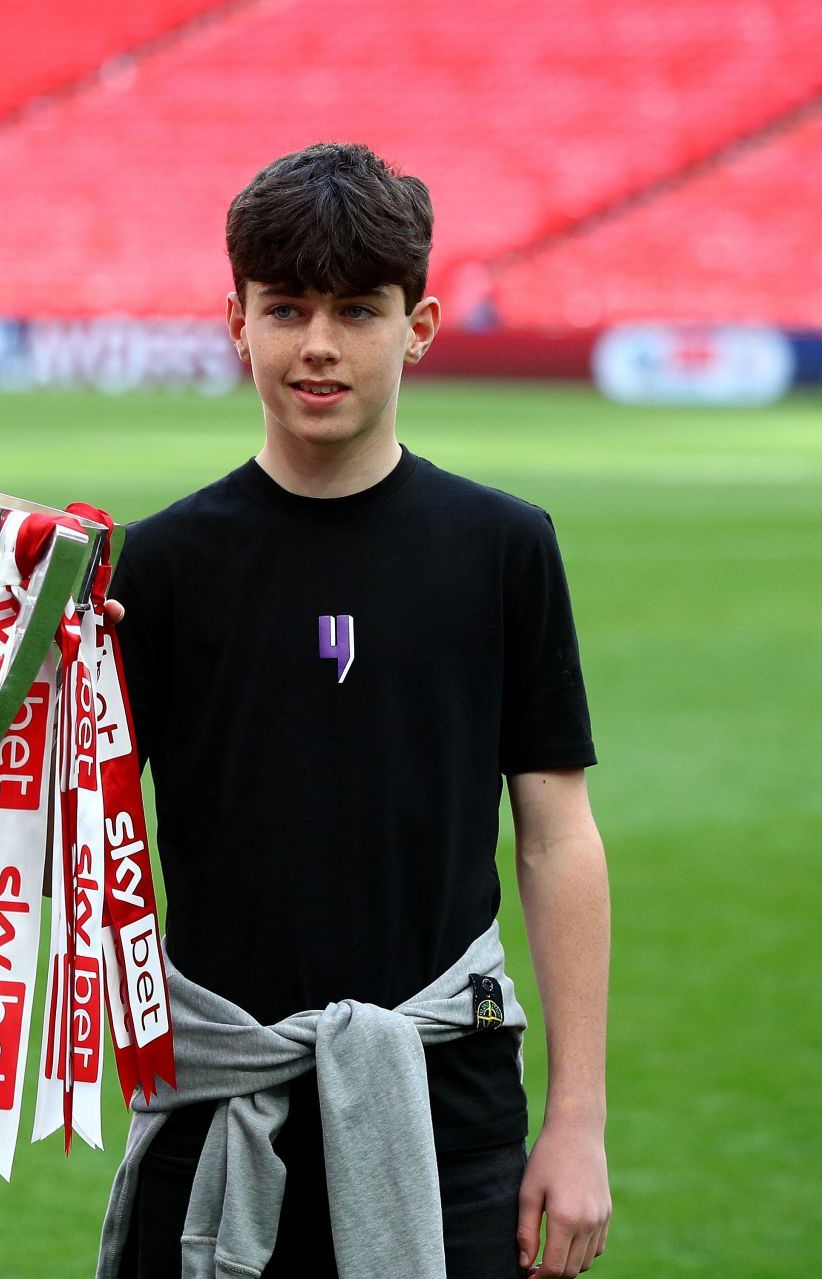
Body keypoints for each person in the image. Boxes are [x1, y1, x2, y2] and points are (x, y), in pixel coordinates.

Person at [97, 143, 611, 1279]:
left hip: (450, 1094)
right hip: (224, 1088)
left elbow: (556, 833)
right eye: (284, 308)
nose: (317, 345)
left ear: (417, 323)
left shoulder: (503, 547)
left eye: (356, 311)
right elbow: (80, 837)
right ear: (234, 320)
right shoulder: (163, 563)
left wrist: (577, 1120)